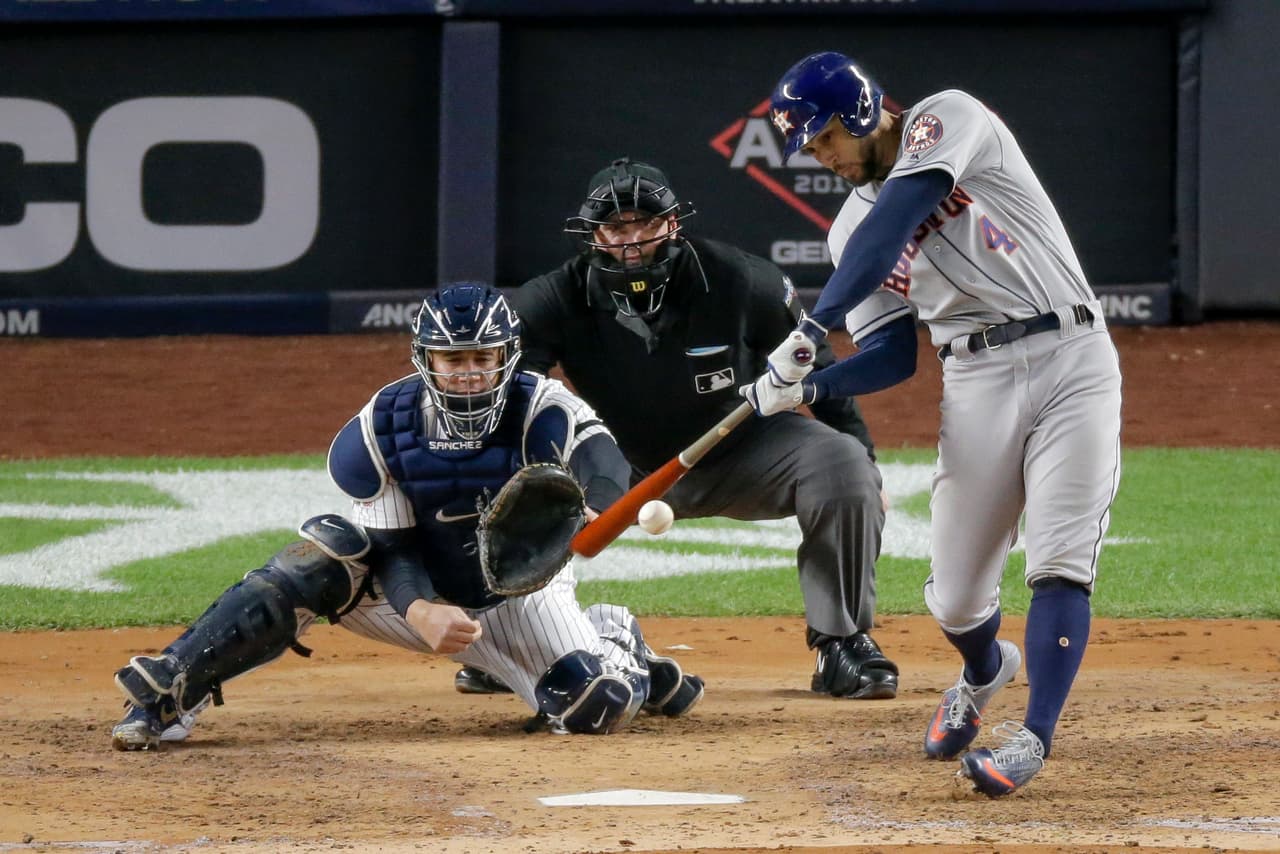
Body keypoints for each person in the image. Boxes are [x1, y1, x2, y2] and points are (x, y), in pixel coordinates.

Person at [747, 52, 1122, 796]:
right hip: (976, 379)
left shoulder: (947, 116)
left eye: (824, 139)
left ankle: (1033, 738)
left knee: (1059, 557)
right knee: (952, 598)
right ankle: (985, 669)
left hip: (1072, 355)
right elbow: (891, 355)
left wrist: (812, 328)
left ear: (859, 112)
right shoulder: (846, 231)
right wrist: (806, 390)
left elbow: (897, 219)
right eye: (809, 148)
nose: (819, 158)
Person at [109, 282, 703, 750]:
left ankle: (615, 641)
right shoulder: (383, 424)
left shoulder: (544, 407)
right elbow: (392, 548)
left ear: (507, 356)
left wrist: (596, 508)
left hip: (525, 596)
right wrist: (420, 610)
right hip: (416, 593)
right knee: (324, 553)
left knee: (591, 709)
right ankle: (172, 688)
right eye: (453, 359)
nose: (469, 372)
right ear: (427, 360)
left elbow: (606, 467)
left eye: (482, 357)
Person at [461, 156, 898, 702]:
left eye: (646, 224)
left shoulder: (742, 280)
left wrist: (866, 457)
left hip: (740, 448)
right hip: (616, 462)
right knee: (508, 475)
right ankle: (512, 640)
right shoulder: (552, 300)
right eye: (617, 227)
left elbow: (819, 367)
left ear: (673, 224)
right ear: (593, 234)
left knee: (843, 467)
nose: (632, 240)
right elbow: (513, 400)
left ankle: (842, 644)